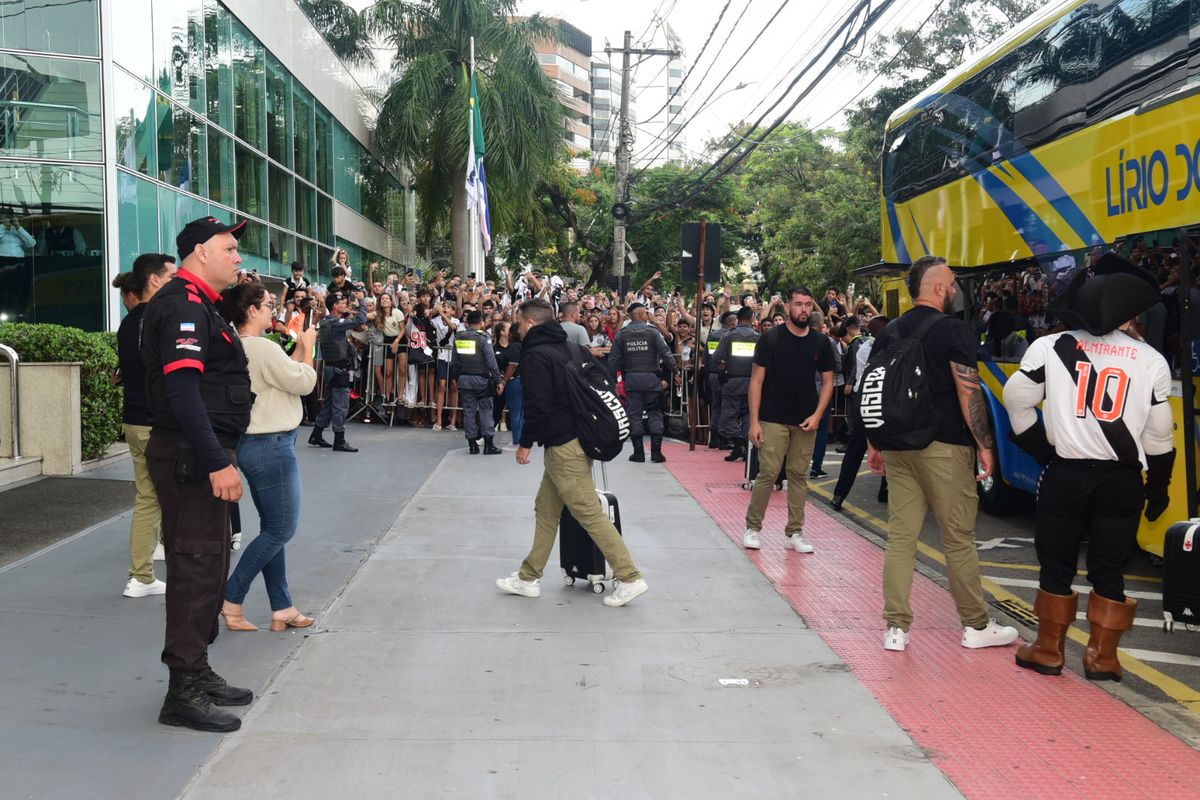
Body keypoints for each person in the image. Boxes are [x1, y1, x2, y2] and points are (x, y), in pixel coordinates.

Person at [1004, 255, 1175, 681]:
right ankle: (1102, 658)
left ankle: (1048, 649)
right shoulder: (1150, 359)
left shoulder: (1050, 347)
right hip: (1121, 481)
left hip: (1066, 473)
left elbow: (1015, 400)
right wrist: (1159, 489)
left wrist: (1041, 450)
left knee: (1056, 562)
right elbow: (1159, 436)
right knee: (1110, 568)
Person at [866, 256, 1019, 653]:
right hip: (944, 448)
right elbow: (968, 391)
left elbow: (875, 388)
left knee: (902, 537)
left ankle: (896, 629)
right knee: (958, 538)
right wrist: (986, 446)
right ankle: (975, 625)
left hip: (897, 446)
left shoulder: (890, 331)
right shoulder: (954, 330)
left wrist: (874, 441)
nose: (954, 290)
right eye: (951, 284)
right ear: (937, 288)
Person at [140, 216, 254, 732]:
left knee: (208, 566)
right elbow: (184, 394)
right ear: (200, 252)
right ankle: (182, 690)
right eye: (229, 248)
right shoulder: (184, 305)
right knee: (194, 566)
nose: (237, 257)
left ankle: (198, 670)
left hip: (199, 454)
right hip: (193, 458)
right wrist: (217, 463)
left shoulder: (202, 304)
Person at [496, 298, 649, 607]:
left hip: (563, 447)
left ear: (532, 324)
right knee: (547, 507)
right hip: (580, 439)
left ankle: (630, 576)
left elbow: (537, 407)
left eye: (520, 323)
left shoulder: (536, 355)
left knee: (587, 511)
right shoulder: (572, 347)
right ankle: (528, 577)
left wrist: (525, 443)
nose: (518, 328)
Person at [215, 282, 318, 633]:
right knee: (281, 528)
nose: (272, 309)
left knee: (274, 527)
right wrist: (308, 348)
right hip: (273, 445)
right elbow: (303, 383)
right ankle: (231, 598)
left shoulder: (238, 345)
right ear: (251, 311)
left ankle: (282, 606)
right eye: (266, 304)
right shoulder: (261, 346)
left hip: (254, 444)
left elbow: (283, 377)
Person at [741, 287, 834, 554]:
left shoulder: (820, 342)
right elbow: (756, 382)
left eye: (807, 305)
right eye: (797, 304)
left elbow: (828, 383)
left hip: (806, 419)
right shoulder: (770, 339)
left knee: (798, 475)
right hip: (772, 417)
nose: (803, 309)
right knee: (768, 473)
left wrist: (817, 415)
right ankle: (753, 528)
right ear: (788, 307)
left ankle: (795, 531)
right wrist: (754, 422)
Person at [113, 253, 176, 598]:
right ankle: (141, 575)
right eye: (171, 276)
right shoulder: (158, 319)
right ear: (154, 280)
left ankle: (146, 569)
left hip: (135, 421)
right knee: (156, 497)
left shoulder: (129, 322)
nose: (177, 281)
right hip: (154, 423)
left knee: (149, 495)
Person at [830, 315, 889, 511]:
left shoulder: (868, 349)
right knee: (867, 448)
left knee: (860, 450)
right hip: (871, 403)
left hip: (867, 403)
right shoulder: (868, 350)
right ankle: (840, 494)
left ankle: (842, 494)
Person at [610, 302, 677, 463]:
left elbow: (613, 360)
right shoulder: (652, 333)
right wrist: (675, 371)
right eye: (646, 313)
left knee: (635, 415)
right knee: (655, 414)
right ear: (641, 314)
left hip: (632, 380)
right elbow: (666, 353)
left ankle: (638, 453)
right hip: (651, 380)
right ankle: (656, 453)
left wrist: (612, 380)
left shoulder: (622, 334)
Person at [309, 288, 367, 452]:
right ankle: (339, 440)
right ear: (335, 306)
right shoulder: (336, 324)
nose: (345, 305)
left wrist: (348, 312)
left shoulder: (326, 322)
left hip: (331, 368)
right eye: (342, 303)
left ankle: (316, 434)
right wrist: (362, 302)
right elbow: (361, 320)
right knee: (341, 405)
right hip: (339, 370)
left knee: (328, 405)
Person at [712, 306, 761, 463]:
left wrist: (723, 365)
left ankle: (738, 443)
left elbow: (716, 357)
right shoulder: (758, 337)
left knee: (728, 416)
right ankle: (744, 447)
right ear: (752, 318)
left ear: (738, 319)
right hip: (752, 382)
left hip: (732, 381)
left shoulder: (728, 336)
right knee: (748, 414)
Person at [452, 309, 503, 454]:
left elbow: (454, 361)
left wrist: (455, 378)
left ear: (467, 322)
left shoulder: (459, 337)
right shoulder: (483, 337)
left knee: (468, 411)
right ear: (481, 322)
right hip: (481, 379)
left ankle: (472, 445)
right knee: (486, 410)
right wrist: (498, 379)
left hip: (464, 379)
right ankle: (488, 445)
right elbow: (491, 361)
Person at [705, 311, 737, 449]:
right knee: (726, 407)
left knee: (715, 406)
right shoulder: (731, 336)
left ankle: (713, 438)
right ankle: (723, 439)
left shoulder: (712, 336)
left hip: (712, 375)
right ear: (732, 323)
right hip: (725, 376)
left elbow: (707, 358)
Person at [492, 320, 524, 449]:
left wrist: (504, 381)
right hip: (522, 380)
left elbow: (512, 365)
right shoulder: (522, 345)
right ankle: (521, 439)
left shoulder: (515, 346)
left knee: (516, 413)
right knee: (521, 413)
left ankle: (517, 441)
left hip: (515, 382)